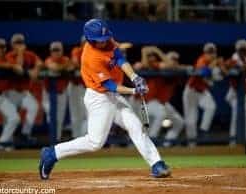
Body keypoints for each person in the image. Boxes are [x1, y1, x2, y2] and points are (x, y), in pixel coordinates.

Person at [39, 19, 170, 179]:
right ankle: (52, 153)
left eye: (105, 38)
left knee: (135, 125)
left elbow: (120, 58)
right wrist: (133, 90)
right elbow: (110, 85)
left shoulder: (107, 40)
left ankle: (157, 164)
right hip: (99, 98)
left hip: (113, 96)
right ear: (90, 40)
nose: (104, 42)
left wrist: (135, 77)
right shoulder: (90, 57)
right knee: (95, 143)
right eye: (100, 41)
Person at [139, 47, 184, 145]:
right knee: (159, 116)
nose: (174, 62)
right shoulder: (158, 66)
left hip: (162, 103)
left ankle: (166, 144)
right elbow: (145, 64)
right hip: (149, 102)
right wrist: (156, 51)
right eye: (172, 59)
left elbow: (177, 67)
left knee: (179, 122)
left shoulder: (176, 70)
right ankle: (151, 141)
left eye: (176, 60)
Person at [6, 33, 43, 141]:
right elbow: (19, 67)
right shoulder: (9, 56)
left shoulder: (29, 54)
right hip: (11, 92)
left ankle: (25, 134)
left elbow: (40, 63)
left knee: (34, 106)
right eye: (16, 43)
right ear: (12, 45)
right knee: (10, 119)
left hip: (24, 92)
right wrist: (21, 53)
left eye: (21, 42)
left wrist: (35, 70)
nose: (19, 45)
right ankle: (6, 142)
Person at [182, 42, 218, 147]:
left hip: (202, 91)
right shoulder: (202, 60)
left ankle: (203, 130)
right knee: (191, 121)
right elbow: (203, 72)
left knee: (211, 107)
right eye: (208, 52)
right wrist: (212, 67)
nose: (211, 55)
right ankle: (191, 146)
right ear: (204, 53)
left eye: (212, 52)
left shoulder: (215, 63)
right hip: (191, 91)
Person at [43, 41, 73, 141]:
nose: (56, 53)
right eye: (54, 50)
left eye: (58, 50)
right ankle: (52, 139)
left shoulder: (65, 59)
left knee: (59, 119)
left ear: (62, 51)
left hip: (61, 93)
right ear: (51, 52)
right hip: (48, 94)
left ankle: (56, 140)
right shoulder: (48, 60)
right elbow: (54, 67)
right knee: (51, 117)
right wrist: (64, 67)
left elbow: (71, 66)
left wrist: (64, 67)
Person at [225, 39, 246, 146]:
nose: (242, 52)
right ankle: (234, 143)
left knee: (244, 118)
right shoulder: (234, 59)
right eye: (241, 49)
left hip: (243, 93)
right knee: (236, 117)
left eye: (244, 49)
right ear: (237, 49)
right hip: (234, 92)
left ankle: (242, 142)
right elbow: (226, 68)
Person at [69, 36, 87, 138]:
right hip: (75, 87)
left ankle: (84, 138)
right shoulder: (77, 50)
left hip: (85, 88)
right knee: (76, 115)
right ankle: (76, 138)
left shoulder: (94, 53)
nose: (87, 44)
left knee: (86, 114)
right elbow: (75, 62)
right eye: (85, 42)